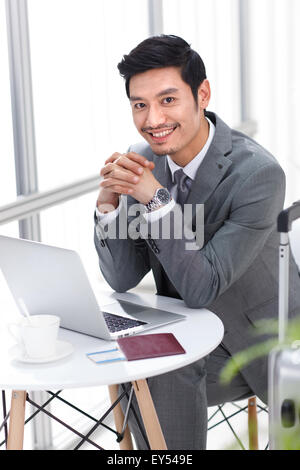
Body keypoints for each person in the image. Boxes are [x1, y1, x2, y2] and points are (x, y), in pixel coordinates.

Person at [93, 35, 300, 449]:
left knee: (160, 370)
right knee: (132, 359)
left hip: (258, 345)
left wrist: (155, 198)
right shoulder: (144, 158)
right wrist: (108, 208)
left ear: (201, 94)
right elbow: (122, 276)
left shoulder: (258, 175)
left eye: (168, 100)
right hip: (190, 329)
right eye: (140, 104)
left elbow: (201, 287)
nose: (153, 119)